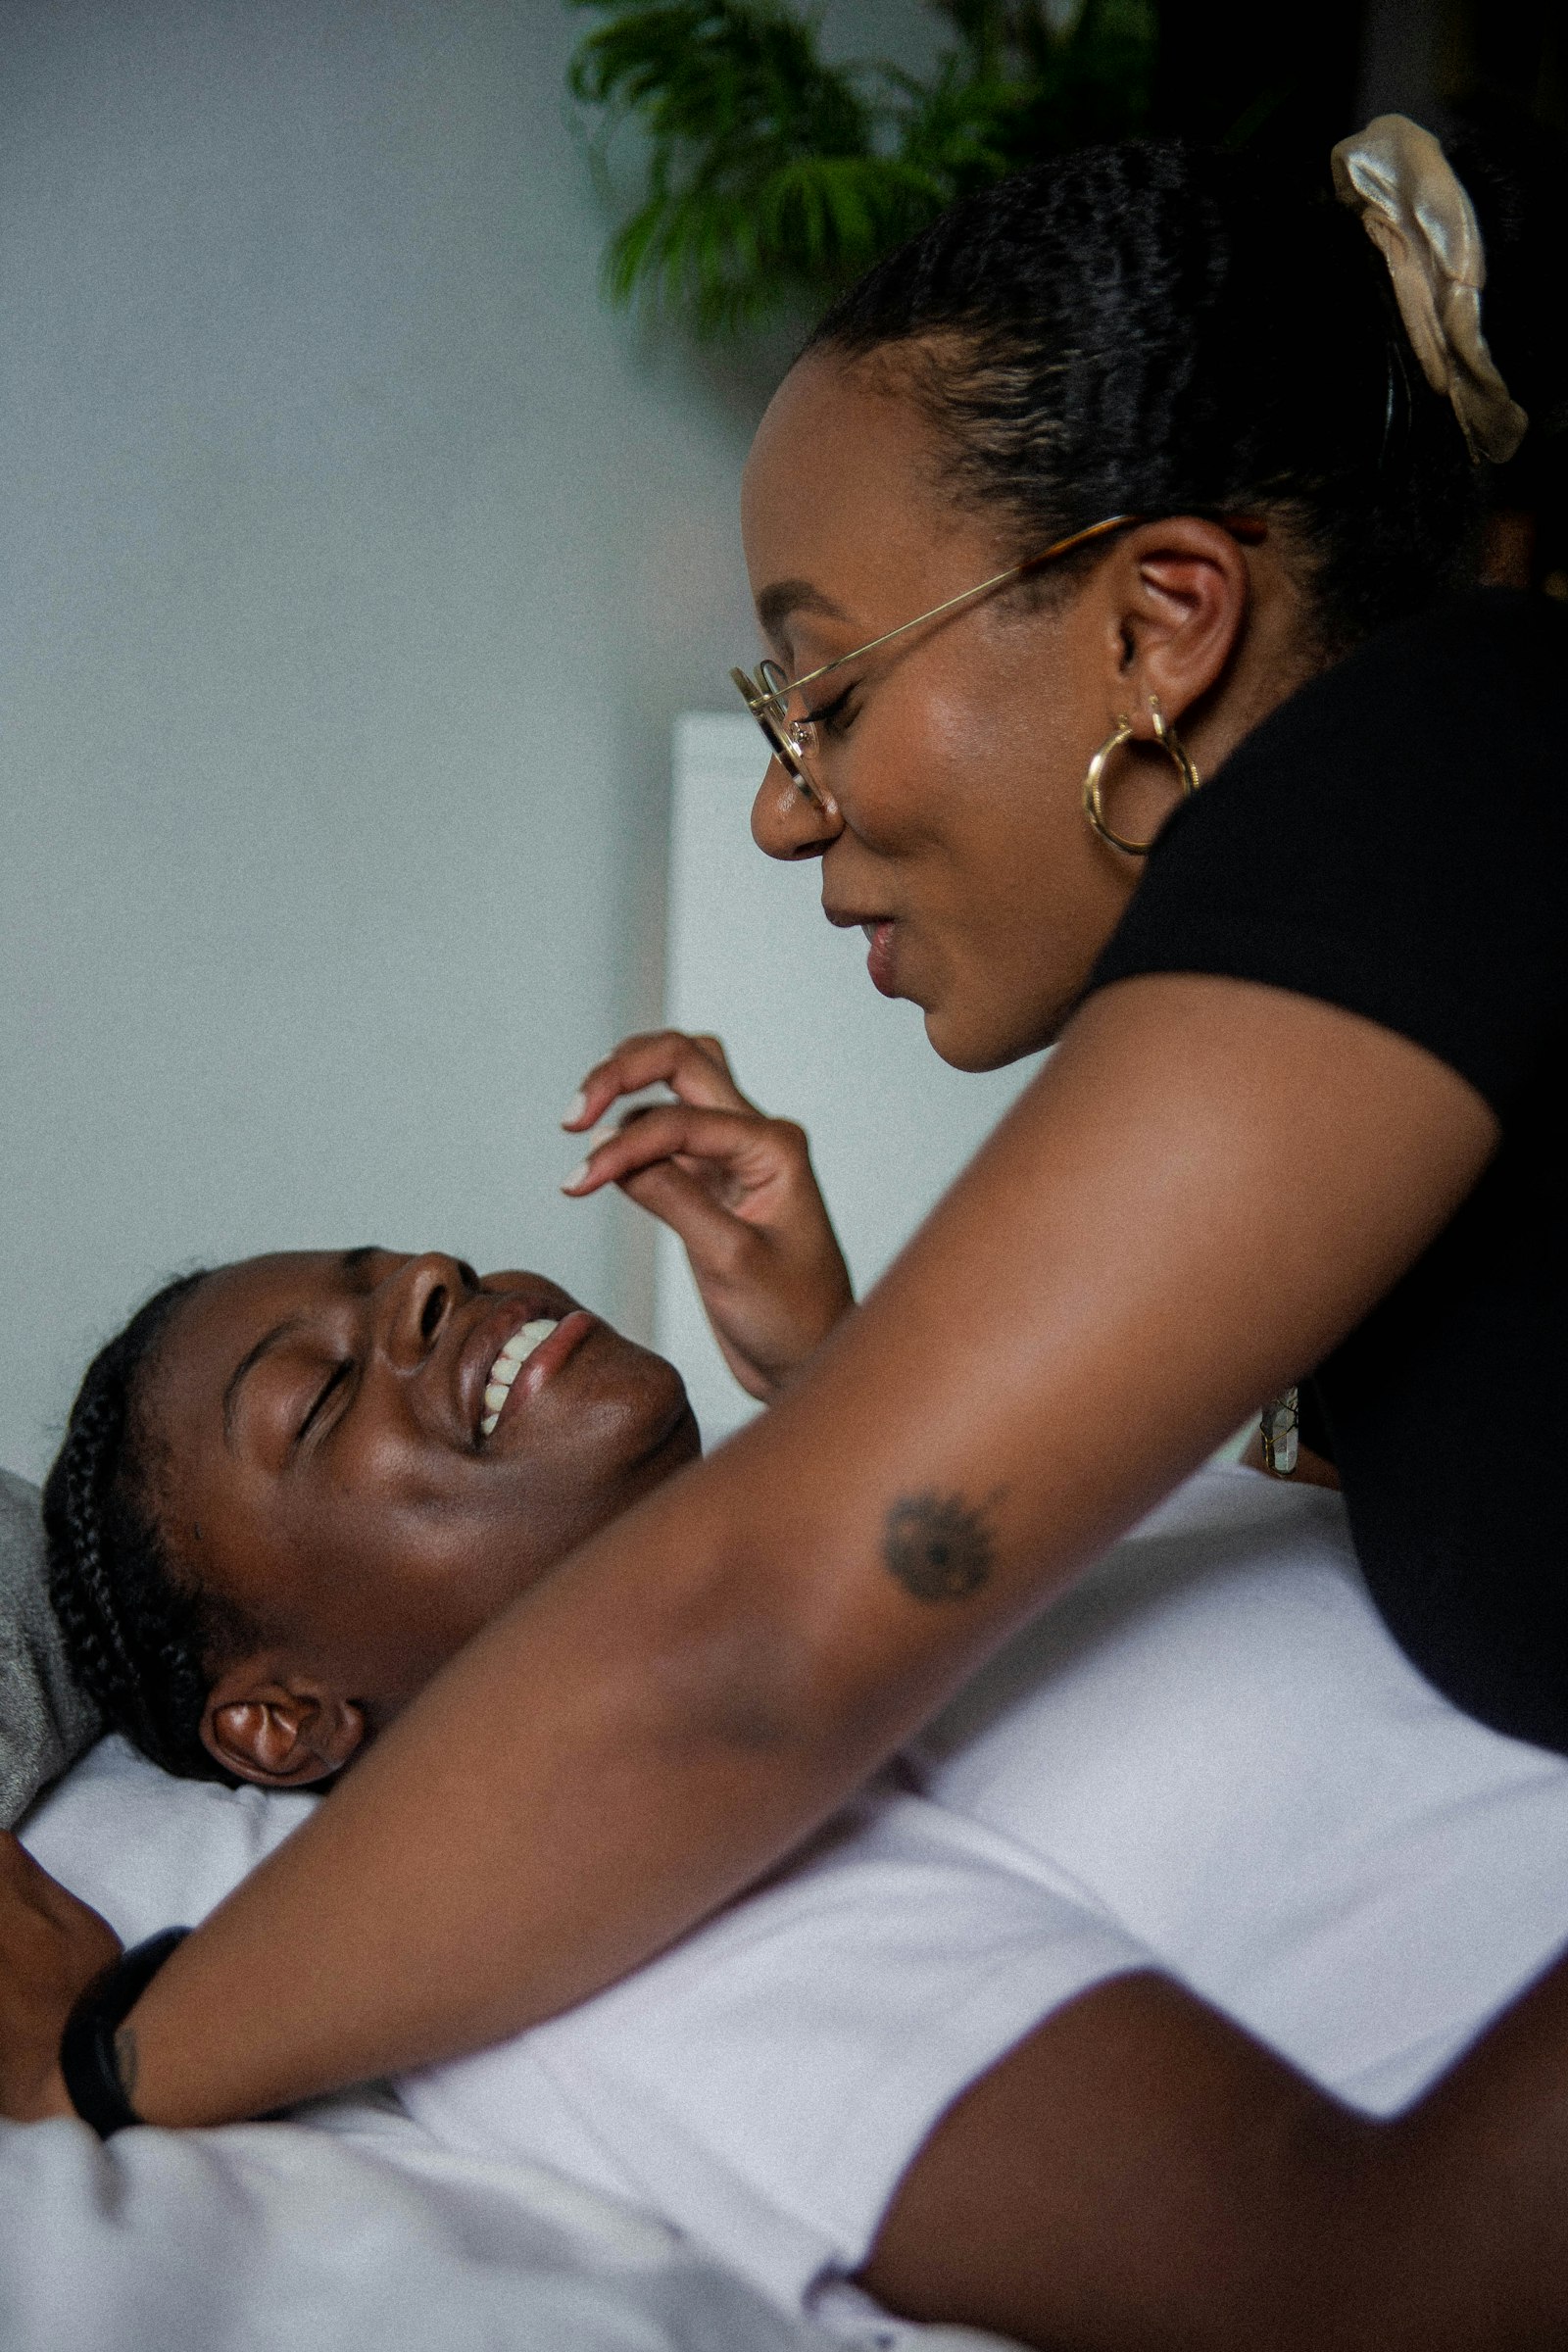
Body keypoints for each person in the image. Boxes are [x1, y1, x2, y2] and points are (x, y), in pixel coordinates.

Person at [1, 112, 1564, 2325]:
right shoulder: (1430, 871)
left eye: (819, 686)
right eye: (314, 1382)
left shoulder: (1423, 764)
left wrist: (114, 2051)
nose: (775, 799)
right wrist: (845, 1383)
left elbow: (757, 1637)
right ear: (273, 1726)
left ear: (1163, 625)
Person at [15, 1227, 1568, 2348]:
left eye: (388, 1270)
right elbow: (1375, 2288)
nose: (433, 1279)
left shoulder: (883, 1570)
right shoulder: (602, 1953)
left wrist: (857, 1376)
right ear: (283, 1726)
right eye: (319, 1399)